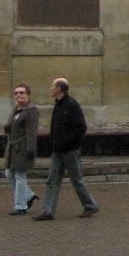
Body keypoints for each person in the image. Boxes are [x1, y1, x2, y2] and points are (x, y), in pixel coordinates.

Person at [32, 78, 98, 220]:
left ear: (59, 89)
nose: (50, 88)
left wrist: (66, 141)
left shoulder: (72, 105)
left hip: (70, 150)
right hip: (58, 150)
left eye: (53, 86)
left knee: (76, 179)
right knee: (52, 179)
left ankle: (90, 205)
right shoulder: (58, 104)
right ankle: (48, 211)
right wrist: (53, 143)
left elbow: (81, 127)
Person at [4, 83, 39, 215]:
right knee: (9, 174)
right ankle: (29, 196)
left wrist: (30, 149)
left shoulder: (31, 110)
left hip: (23, 147)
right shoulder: (15, 110)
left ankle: (21, 206)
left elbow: (32, 131)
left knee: (20, 176)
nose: (18, 95)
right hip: (12, 148)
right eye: (16, 93)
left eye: (22, 92)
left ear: (28, 95)